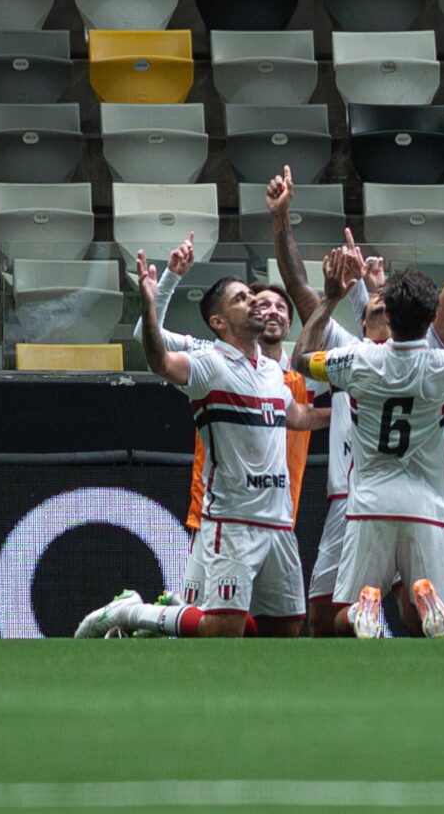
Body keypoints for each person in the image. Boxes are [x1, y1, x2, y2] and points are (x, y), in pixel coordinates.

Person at [76, 253, 330, 640]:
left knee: (285, 631)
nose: (256, 302)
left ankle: (167, 626)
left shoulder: (272, 371)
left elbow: (297, 416)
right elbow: (159, 360)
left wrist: (351, 409)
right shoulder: (209, 363)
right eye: (242, 299)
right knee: (222, 629)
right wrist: (154, 297)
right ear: (219, 322)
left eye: (254, 296)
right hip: (232, 522)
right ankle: (130, 613)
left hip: (280, 524)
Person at [294, 250, 444, 639]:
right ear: (430, 320)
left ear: (387, 316)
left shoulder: (356, 360)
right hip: (426, 506)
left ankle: (364, 606)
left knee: (341, 618)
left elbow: (300, 360)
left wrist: (328, 299)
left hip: (369, 503)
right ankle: (428, 600)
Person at [134, 231, 317, 608]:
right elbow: (148, 339)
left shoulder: (293, 374)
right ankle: (144, 615)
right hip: (220, 509)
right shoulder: (210, 355)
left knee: (274, 625)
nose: (268, 309)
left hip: (279, 513)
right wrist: (166, 281)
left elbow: (303, 416)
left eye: (279, 307)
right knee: (215, 620)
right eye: (256, 301)